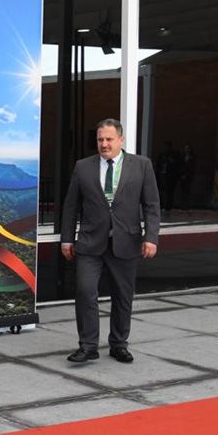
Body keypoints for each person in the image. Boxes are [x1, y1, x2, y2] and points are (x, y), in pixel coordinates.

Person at [60, 118, 161, 365]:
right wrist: (66, 239)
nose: (104, 144)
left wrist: (151, 237)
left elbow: (151, 205)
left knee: (123, 296)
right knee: (85, 291)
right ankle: (88, 346)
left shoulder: (142, 165)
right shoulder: (83, 167)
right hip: (90, 242)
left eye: (109, 139)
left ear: (121, 139)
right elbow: (71, 206)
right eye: (100, 140)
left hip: (126, 242)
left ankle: (118, 344)